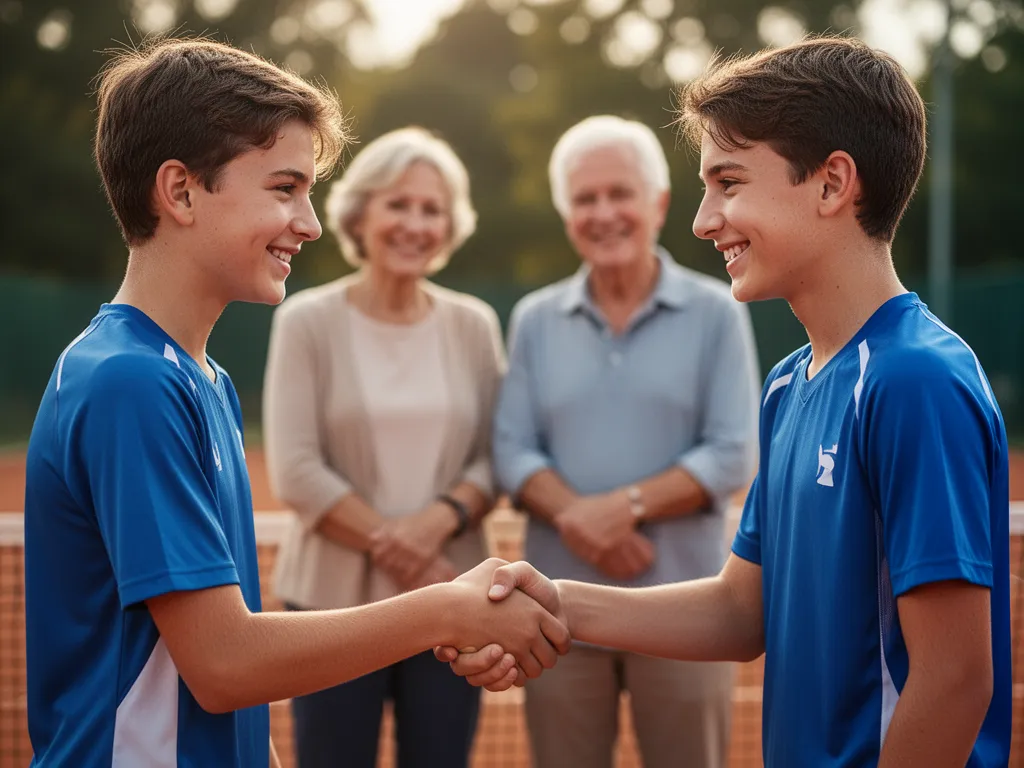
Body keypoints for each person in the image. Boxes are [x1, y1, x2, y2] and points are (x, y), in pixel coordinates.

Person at [440, 37, 1010, 768]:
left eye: (729, 183)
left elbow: (955, 679)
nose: (705, 220)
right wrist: (550, 599)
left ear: (833, 184)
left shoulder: (914, 382)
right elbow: (741, 611)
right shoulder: (790, 382)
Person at [22, 38, 568, 768]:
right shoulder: (132, 383)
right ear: (180, 191)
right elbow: (225, 665)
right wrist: (447, 606)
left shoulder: (196, 376)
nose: (310, 224)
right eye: (284, 189)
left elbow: (225, 668)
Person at [489, 115, 760, 768]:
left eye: (620, 194)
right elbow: (512, 449)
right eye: (585, 199)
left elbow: (732, 450)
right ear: (566, 214)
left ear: (659, 203)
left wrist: (622, 509)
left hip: (687, 616)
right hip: (554, 620)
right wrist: (583, 520)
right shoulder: (534, 319)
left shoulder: (717, 310)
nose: (603, 212)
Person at [262, 126, 505, 768]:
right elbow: (295, 469)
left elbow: (495, 455)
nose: (414, 223)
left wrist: (432, 529)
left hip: (454, 601)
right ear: (360, 212)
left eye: (432, 209)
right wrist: (406, 557)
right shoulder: (305, 320)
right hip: (329, 608)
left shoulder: (474, 324)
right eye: (398, 203)